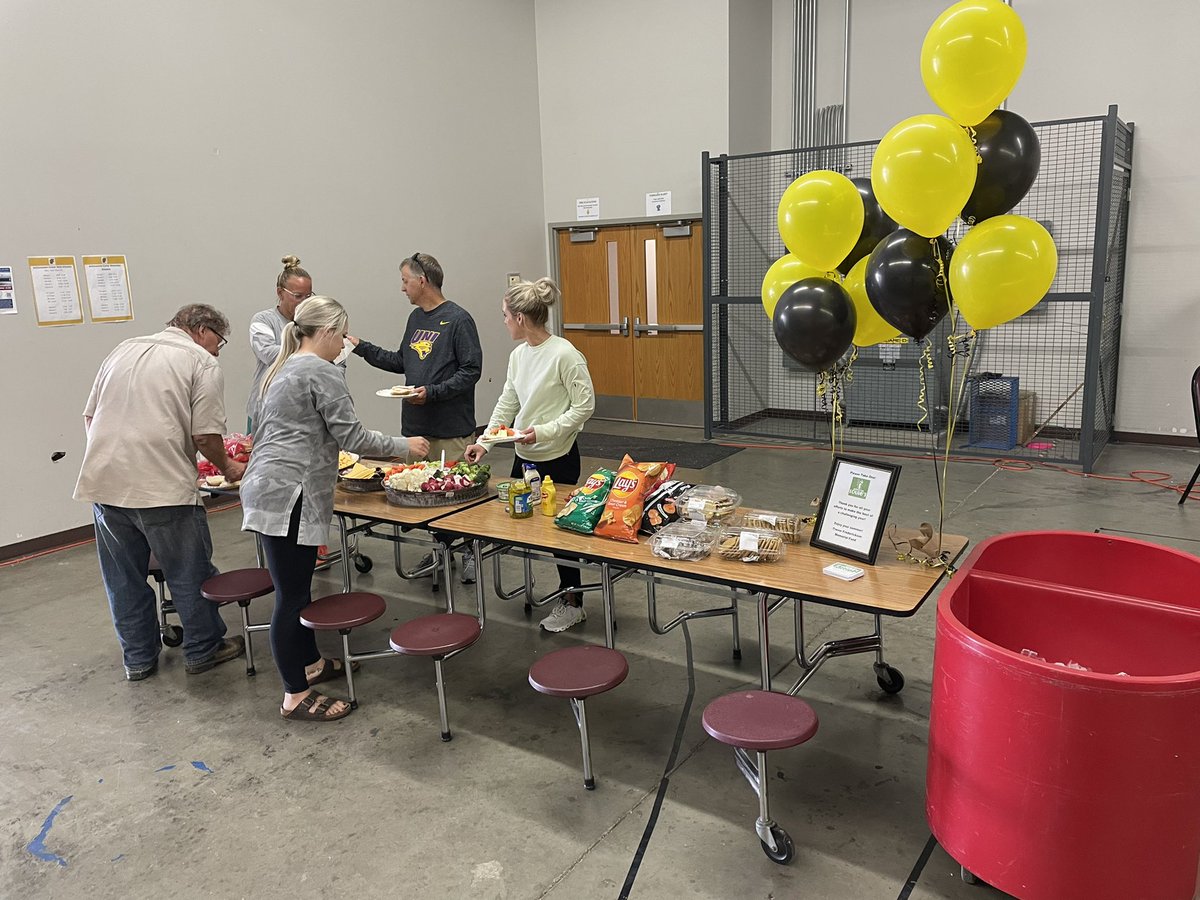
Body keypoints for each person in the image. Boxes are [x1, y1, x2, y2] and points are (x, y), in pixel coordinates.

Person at [240, 296, 429, 722]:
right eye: (342, 335)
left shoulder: (281, 366)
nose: (344, 343)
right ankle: (295, 694)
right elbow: (354, 437)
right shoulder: (320, 371)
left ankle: (310, 663)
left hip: (268, 487)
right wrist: (405, 446)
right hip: (289, 494)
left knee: (297, 588)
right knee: (291, 597)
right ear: (326, 332)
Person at [74, 304, 247, 681]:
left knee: (123, 578)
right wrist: (229, 467)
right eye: (219, 342)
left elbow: (90, 416)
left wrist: (114, 456)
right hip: (162, 487)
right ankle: (204, 649)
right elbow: (205, 435)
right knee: (189, 571)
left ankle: (138, 659)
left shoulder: (123, 348)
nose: (218, 351)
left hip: (105, 483)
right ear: (202, 331)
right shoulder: (200, 362)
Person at [465, 277, 595, 632]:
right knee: (522, 523)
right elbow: (508, 402)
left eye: (505, 315)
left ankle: (573, 602)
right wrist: (485, 442)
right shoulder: (519, 356)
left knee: (560, 535)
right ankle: (539, 587)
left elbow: (584, 406)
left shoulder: (565, 355)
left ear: (520, 318)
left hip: (558, 456)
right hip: (525, 456)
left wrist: (545, 431)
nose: (504, 321)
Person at [347, 251, 483, 582]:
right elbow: (402, 362)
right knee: (424, 495)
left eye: (405, 281)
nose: (402, 288)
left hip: (450, 428)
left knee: (455, 496)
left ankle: (468, 551)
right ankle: (440, 551)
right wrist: (361, 346)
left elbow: (471, 371)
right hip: (416, 429)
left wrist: (431, 393)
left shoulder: (458, 320)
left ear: (422, 281)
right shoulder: (415, 319)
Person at [246, 255, 314, 433]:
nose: (304, 302)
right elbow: (269, 353)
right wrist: (311, 351)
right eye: (297, 296)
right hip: (266, 409)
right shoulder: (263, 320)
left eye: (308, 296)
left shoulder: (314, 323)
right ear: (280, 292)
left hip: (303, 411)